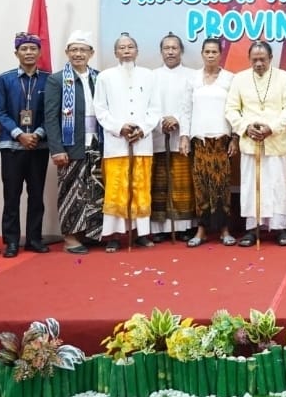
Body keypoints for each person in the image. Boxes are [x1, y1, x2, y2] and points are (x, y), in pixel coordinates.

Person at [224, 41, 286, 247]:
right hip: (250, 141)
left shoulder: (284, 78)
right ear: (249, 59)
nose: (258, 63)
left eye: (262, 60)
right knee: (251, 185)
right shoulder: (239, 79)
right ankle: (252, 228)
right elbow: (231, 109)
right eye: (254, 60)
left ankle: (280, 228)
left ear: (271, 58)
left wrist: (271, 128)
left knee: (277, 184)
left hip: (275, 140)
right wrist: (246, 127)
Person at [94, 33, 161, 252]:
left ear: (137, 51)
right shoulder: (105, 77)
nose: (126, 50)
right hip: (116, 144)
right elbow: (100, 109)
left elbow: (155, 108)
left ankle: (141, 233)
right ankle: (114, 236)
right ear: (115, 52)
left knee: (140, 187)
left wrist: (142, 129)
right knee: (116, 189)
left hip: (142, 143)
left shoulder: (149, 76)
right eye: (122, 47)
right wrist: (119, 127)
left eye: (130, 47)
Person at [43, 30, 104, 255]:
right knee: (71, 191)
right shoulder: (57, 79)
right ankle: (70, 237)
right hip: (71, 144)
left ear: (91, 53)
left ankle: (89, 233)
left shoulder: (99, 77)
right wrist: (56, 149)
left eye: (83, 50)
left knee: (95, 189)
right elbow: (50, 117)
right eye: (74, 50)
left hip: (97, 142)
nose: (78, 54)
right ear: (67, 52)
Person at [0, 32, 51, 258]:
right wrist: (19, 135)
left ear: (40, 52)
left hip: (38, 146)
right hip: (12, 147)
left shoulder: (48, 79)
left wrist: (37, 133)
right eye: (24, 49)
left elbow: (51, 111)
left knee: (36, 195)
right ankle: (11, 242)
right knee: (12, 196)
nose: (28, 52)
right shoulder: (4, 79)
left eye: (33, 48)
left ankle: (34, 239)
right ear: (16, 53)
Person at [179, 37, 238, 247]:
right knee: (201, 187)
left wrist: (235, 138)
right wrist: (184, 136)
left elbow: (236, 109)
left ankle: (224, 230)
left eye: (214, 52)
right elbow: (186, 110)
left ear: (220, 55)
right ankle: (201, 230)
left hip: (221, 141)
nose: (211, 55)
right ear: (202, 54)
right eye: (207, 52)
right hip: (199, 141)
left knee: (221, 187)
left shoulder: (230, 79)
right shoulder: (193, 79)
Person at [150, 32, 197, 242]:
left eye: (174, 48)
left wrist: (176, 118)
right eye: (166, 48)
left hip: (182, 134)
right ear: (161, 52)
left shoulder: (192, 76)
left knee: (183, 182)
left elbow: (193, 104)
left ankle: (185, 226)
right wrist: (162, 120)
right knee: (159, 183)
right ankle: (160, 228)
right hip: (158, 134)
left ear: (181, 51)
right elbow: (147, 105)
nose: (170, 52)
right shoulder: (151, 76)